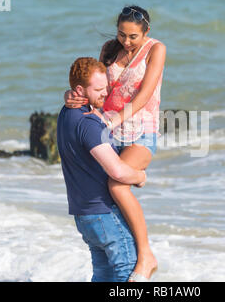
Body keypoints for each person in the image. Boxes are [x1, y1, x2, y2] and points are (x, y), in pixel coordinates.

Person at [64, 5, 166, 281]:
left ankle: (145, 256)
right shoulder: (111, 48)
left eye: (133, 36)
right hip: (108, 131)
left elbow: (144, 94)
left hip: (140, 132)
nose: (126, 41)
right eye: (122, 34)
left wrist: (115, 119)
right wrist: (72, 95)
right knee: (101, 194)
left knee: (117, 184)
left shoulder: (156, 50)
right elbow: (96, 86)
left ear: (146, 31)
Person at [57, 57, 147, 282]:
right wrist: (139, 176)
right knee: (127, 272)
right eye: (98, 89)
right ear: (80, 90)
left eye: (105, 87)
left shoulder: (65, 114)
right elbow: (116, 171)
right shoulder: (88, 124)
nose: (105, 93)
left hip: (84, 215)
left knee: (103, 275)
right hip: (104, 213)